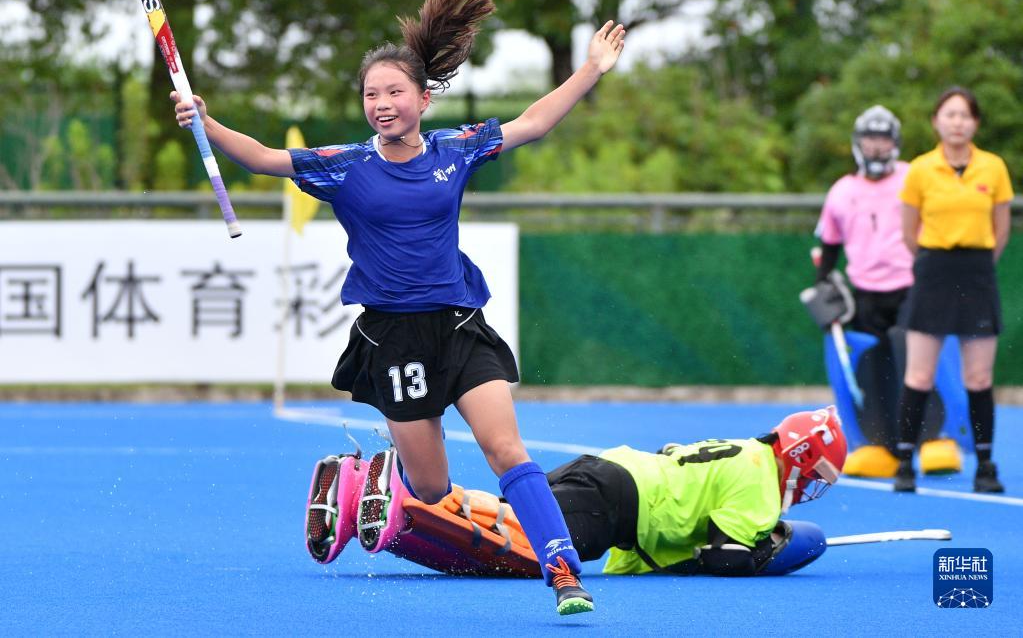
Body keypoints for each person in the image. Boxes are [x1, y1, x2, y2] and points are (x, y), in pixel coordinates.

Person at [173, 0, 626, 614]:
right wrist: (207, 121)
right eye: (371, 95)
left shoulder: (455, 149)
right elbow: (262, 159)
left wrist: (590, 70)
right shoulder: (344, 165)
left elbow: (536, 121)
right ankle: (368, 479)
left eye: (393, 93)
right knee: (434, 486)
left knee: (506, 450)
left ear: (422, 97)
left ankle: (562, 569)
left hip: (461, 326)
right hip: (395, 340)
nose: (382, 105)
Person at [306, 406, 847, 578]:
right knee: (521, 554)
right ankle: (403, 508)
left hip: (610, 474)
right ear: (799, 461)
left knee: (512, 522)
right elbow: (723, 557)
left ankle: (362, 497)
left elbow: (658, 550)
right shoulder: (763, 484)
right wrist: (769, 549)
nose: (809, 488)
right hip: (620, 501)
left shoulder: (745, 451)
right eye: (816, 477)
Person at [813, 106, 964, 478]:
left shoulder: (914, 177)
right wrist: (823, 282)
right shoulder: (842, 190)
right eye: (870, 139)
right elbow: (829, 243)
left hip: (912, 285)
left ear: (894, 143)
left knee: (917, 356)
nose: (877, 147)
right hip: (863, 293)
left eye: (883, 139)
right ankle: (879, 445)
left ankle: (934, 439)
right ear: (858, 143)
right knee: (871, 363)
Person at [895, 86, 1013, 493]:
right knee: (919, 374)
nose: (957, 122)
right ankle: (904, 462)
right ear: (936, 121)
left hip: (978, 272)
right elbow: (909, 231)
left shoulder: (994, 167)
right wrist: (933, 261)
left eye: (965, 115)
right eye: (950, 115)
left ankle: (984, 465)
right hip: (933, 271)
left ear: (975, 122)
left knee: (979, 377)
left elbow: (1001, 229)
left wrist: (976, 263)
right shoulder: (921, 169)